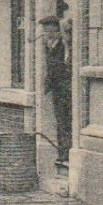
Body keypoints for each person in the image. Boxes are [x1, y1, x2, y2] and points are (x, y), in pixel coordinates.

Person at [39, 14, 73, 164]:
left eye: (48, 30)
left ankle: (66, 152)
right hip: (57, 88)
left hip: (66, 87)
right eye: (45, 30)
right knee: (60, 121)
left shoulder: (64, 44)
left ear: (55, 29)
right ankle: (63, 152)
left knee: (66, 120)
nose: (46, 33)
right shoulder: (49, 44)